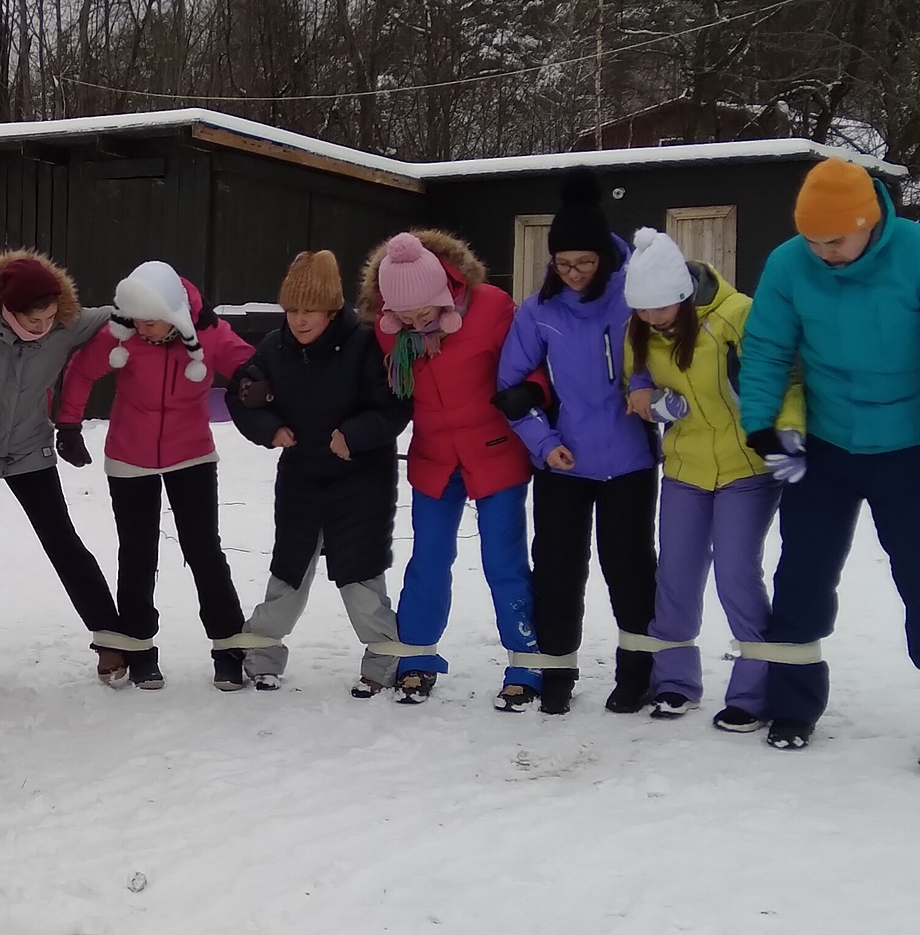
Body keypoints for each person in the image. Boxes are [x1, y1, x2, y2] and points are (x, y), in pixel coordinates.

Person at [736, 155, 920, 769]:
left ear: (869, 221)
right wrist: (761, 423)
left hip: (913, 445)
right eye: (812, 241)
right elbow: (766, 349)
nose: (823, 252)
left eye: (834, 240)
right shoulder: (789, 264)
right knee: (802, 574)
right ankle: (792, 701)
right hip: (828, 445)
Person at [619, 228, 803, 731]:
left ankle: (754, 690)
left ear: (683, 293)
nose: (653, 318)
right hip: (685, 468)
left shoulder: (736, 315)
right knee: (675, 576)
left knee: (737, 574)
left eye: (661, 307)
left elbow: (782, 377)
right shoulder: (641, 328)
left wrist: (787, 431)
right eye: (642, 309)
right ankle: (675, 682)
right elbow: (635, 382)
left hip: (746, 466)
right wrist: (653, 402)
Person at [495, 173, 659, 715]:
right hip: (563, 461)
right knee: (559, 569)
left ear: (603, 258)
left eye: (584, 263)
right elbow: (511, 387)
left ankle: (637, 674)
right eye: (563, 263)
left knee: (630, 568)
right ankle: (557, 672)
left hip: (630, 461)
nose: (572, 274)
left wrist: (647, 390)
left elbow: (665, 353)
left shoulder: (635, 294)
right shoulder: (539, 310)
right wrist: (543, 443)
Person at [54, 259, 258, 689]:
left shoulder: (207, 334)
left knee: (204, 550)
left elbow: (245, 360)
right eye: (139, 321)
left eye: (152, 322)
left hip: (192, 453)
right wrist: (69, 425)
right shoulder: (121, 332)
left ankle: (228, 644)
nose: (143, 329)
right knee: (137, 553)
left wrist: (253, 382)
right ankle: (139, 645)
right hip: (130, 454)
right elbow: (81, 370)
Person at [361, 228, 543, 708]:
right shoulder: (388, 328)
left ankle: (528, 663)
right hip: (434, 459)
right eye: (404, 314)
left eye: (424, 311)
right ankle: (417, 659)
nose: (416, 320)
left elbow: (536, 361)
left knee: (504, 563)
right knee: (427, 562)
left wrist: (532, 394)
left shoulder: (491, 307)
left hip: (496, 452)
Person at [0, 249, 122, 675]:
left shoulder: (68, 325)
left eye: (49, 317)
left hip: (30, 447)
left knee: (63, 542)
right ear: (7, 308)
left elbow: (125, 312)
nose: (42, 326)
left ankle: (111, 636)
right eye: (34, 319)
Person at [225, 252, 412, 693]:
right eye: (292, 310)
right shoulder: (274, 347)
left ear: (332, 310)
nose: (300, 320)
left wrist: (354, 435)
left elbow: (395, 406)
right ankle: (262, 653)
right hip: (301, 478)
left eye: (310, 310)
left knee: (361, 578)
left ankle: (383, 660)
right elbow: (241, 394)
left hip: (361, 478)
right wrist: (268, 429)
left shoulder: (365, 344)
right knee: (288, 572)